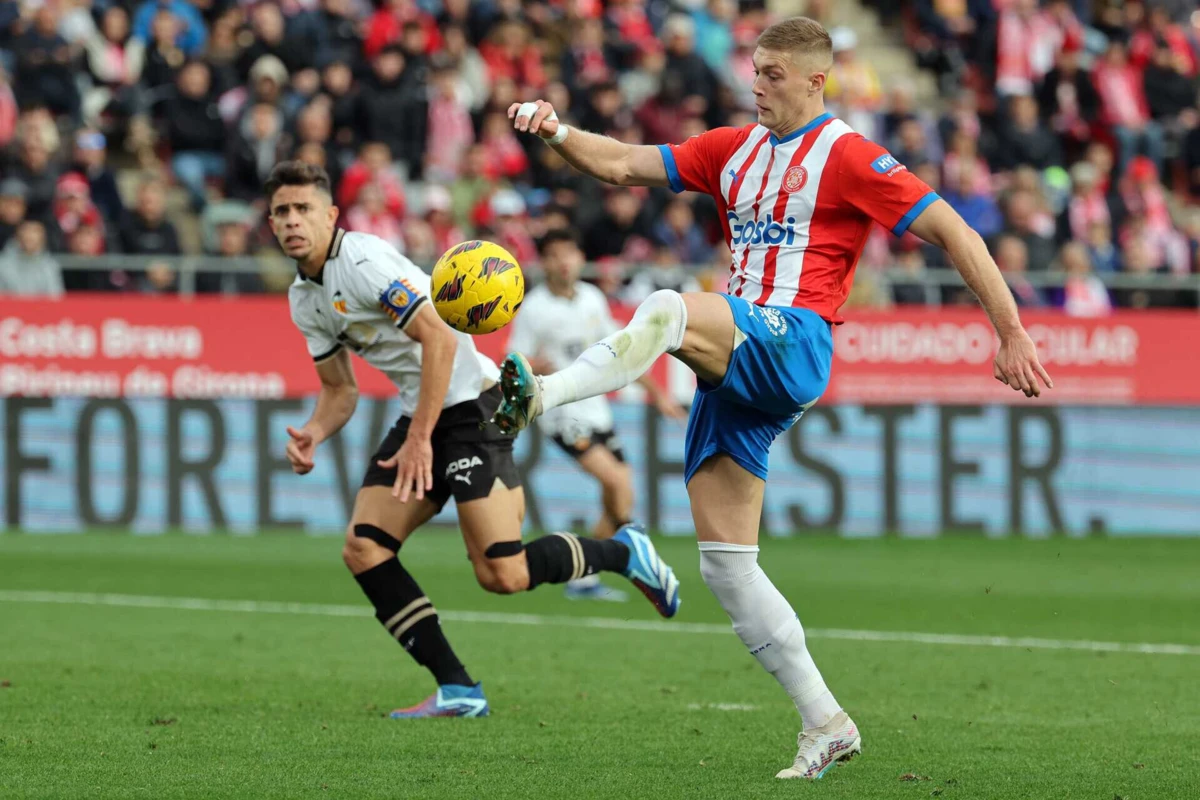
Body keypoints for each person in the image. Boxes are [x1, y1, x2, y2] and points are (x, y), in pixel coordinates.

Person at [494, 16, 1053, 780]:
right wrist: (556, 129)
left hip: (793, 340)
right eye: (754, 70)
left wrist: (1011, 331)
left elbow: (956, 231)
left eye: (773, 74)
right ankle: (826, 722)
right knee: (727, 565)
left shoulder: (850, 156)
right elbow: (622, 165)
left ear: (817, 80)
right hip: (739, 366)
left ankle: (541, 398)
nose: (756, 83)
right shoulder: (730, 148)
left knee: (669, 306)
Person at [266, 161, 681, 719]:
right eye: (281, 212)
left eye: (303, 209)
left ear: (331, 215)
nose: (292, 220)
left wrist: (418, 439)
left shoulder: (361, 261)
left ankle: (621, 550)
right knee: (365, 548)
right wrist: (313, 432)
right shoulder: (303, 298)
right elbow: (339, 390)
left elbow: (439, 336)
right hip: (426, 412)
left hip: (470, 406)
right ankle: (458, 688)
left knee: (502, 574)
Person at [507, 230, 686, 602]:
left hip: (598, 409)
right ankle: (637, 553)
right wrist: (531, 365)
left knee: (618, 489)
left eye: (570, 252)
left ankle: (585, 575)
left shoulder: (592, 298)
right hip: (563, 416)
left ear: (579, 255)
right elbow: (512, 363)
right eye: (555, 255)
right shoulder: (534, 308)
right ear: (545, 263)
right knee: (618, 484)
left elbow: (624, 351)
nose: (564, 261)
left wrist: (659, 396)